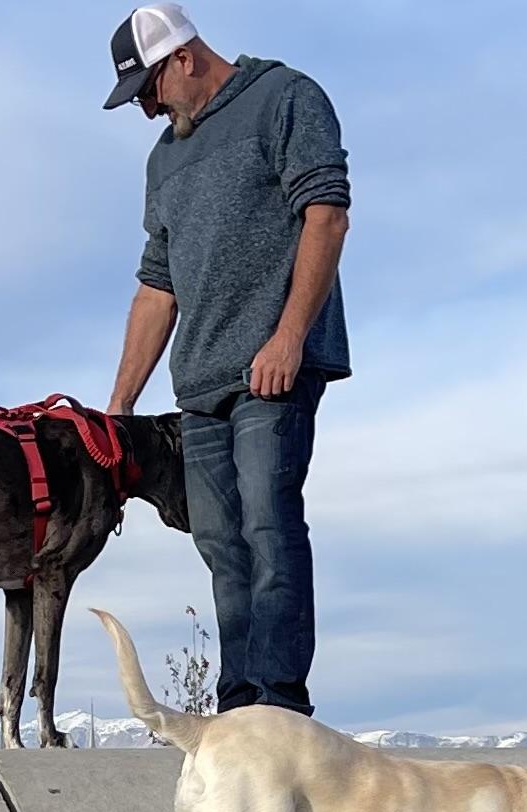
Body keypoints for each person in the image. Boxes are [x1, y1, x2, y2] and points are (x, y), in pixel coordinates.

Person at [103, 4, 350, 716]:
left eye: (146, 90)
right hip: (200, 382)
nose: (145, 110)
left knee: (267, 524)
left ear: (181, 58)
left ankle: (276, 703)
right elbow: (157, 285)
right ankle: (239, 705)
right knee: (217, 541)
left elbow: (326, 214)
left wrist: (287, 337)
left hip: (272, 367)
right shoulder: (165, 159)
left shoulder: (284, 98)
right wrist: (118, 408)